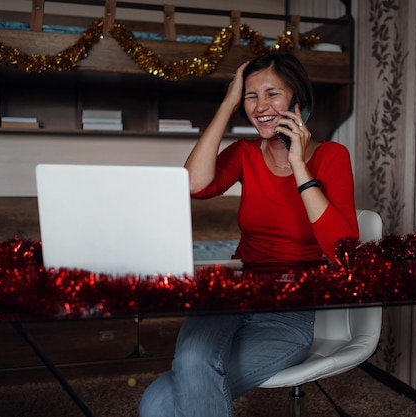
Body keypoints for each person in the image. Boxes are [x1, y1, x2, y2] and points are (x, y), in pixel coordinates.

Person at [139, 52, 359, 417]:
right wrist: (227, 104)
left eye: (272, 94)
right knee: (193, 357)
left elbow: (343, 250)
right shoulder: (244, 154)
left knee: (156, 403)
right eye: (250, 96)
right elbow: (193, 184)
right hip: (236, 293)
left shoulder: (332, 156)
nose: (260, 106)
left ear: (296, 101)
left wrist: (300, 165)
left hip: (289, 312)